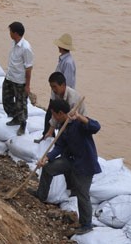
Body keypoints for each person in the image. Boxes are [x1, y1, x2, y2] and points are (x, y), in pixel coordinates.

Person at [33, 98, 101, 236]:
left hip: (85, 164)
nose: (53, 117)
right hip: (70, 160)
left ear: (60, 113)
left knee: (82, 194)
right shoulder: (63, 126)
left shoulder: (78, 123)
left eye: (53, 114)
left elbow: (96, 127)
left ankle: (86, 224)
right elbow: (59, 146)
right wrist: (47, 158)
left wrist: (80, 117)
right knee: (48, 168)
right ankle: (41, 195)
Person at [35, 71, 86, 144]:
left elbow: (71, 119)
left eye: (55, 87)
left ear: (63, 85)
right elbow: (54, 113)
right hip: (64, 120)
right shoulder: (55, 93)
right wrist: (50, 132)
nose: (53, 90)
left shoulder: (73, 98)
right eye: (51, 87)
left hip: (76, 123)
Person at [3, 20, 33, 136]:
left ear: (15, 33)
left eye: (10, 31)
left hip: (19, 81)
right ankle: (15, 118)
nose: (9, 33)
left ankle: (22, 123)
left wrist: (27, 85)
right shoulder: (13, 43)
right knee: (6, 99)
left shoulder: (26, 48)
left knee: (21, 104)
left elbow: (29, 68)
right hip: (10, 77)